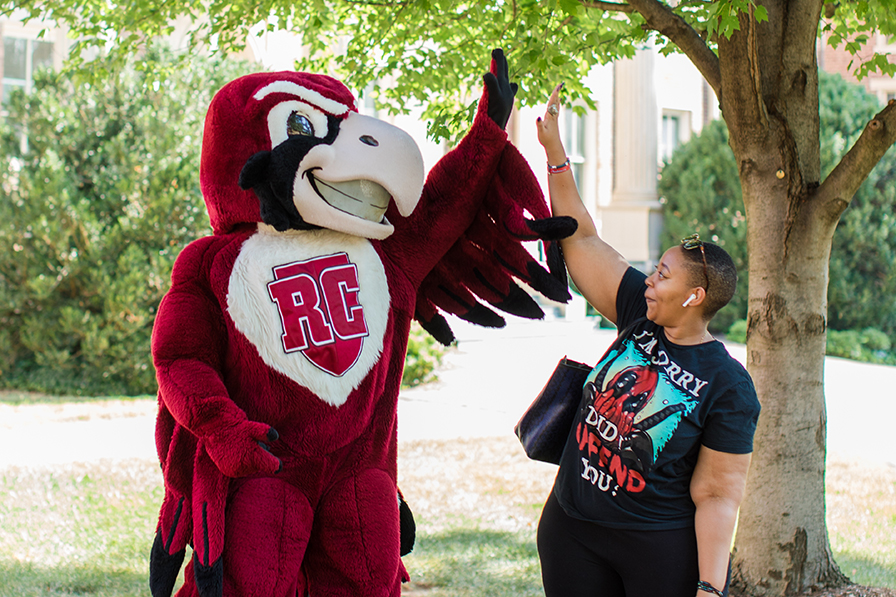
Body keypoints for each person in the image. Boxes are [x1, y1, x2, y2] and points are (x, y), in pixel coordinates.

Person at [533, 84, 761, 597]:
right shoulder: (641, 311)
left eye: (661, 274)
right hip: (571, 530)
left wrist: (710, 585)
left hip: (654, 553)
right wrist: (555, 154)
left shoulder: (728, 386)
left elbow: (718, 495)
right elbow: (582, 238)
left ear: (694, 296)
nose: (649, 280)